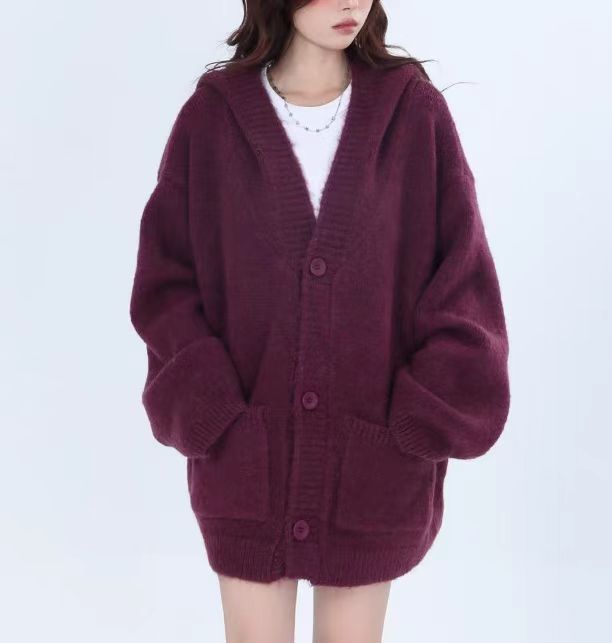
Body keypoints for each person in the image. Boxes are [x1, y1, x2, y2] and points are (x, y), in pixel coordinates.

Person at [129, 1, 511, 641]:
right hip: (245, 461)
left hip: (374, 462)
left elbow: (462, 279)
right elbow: (165, 282)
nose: (350, 2)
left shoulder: (412, 113)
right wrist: (210, 409)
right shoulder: (213, 117)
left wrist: (421, 416)